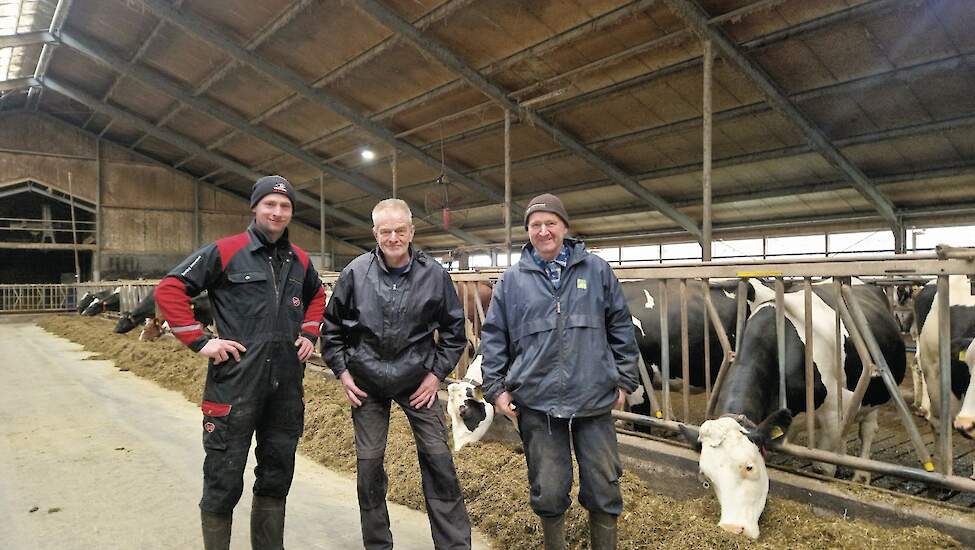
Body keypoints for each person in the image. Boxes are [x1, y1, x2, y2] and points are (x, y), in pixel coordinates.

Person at [156, 175, 326, 550]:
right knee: (224, 475)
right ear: (255, 207)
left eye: (285, 206)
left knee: (277, 473)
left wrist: (309, 333)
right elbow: (169, 288)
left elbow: (317, 295)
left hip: (285, 386)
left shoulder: (299, 259)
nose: (277, 212)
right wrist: (201, 342)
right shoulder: (225, 250)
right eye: (270, 204)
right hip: (234, 384)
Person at [479, 193, 640, 550]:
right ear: (528, 232)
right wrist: (496, 388)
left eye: (550, 223)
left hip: (593, 396)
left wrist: (625, 381)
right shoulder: (512, 280)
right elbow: (493, 338)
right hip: (537, 399)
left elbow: (621, 328)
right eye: (535, 225)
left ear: (565, 227)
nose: (543, 230)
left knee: (603, 485)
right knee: (549, 488)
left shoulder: (597, 270)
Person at [321, 198, 472, 550]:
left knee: (438, 461)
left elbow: (453, 332)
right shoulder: (355, 273)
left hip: (418, 380)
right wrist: (343, 373)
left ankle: (453, 546)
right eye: (385, 231)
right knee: (369, 467)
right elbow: (331, 330)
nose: (393, 237)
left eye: (400, 230)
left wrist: (435, 376)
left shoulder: (434, 274)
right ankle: (377, 545)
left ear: (412, 231)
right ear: (375, 233)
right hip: (367, 383)